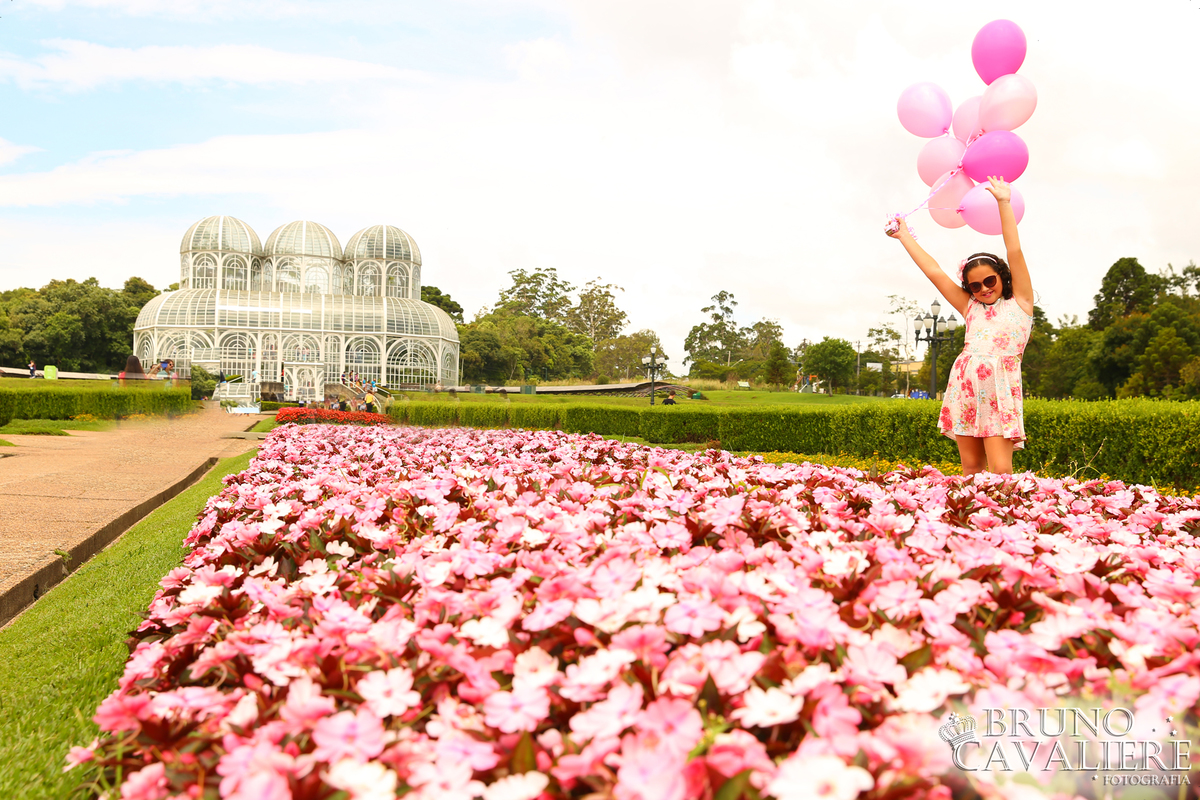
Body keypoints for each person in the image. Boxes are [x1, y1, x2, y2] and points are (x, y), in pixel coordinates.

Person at [887, 175, 1033, 476]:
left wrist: (1004, 203)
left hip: (1000, 391)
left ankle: (1005, 522)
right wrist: (904, 236)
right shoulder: (971, 307)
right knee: (971, 467)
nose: (983, 289)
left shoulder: (1020, 303)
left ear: (1002, 277)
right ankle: (972, 521)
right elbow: (934, 272)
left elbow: (1015, 252)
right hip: (965, 386)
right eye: (975, 285)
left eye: (989, 281)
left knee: (1001, 470)